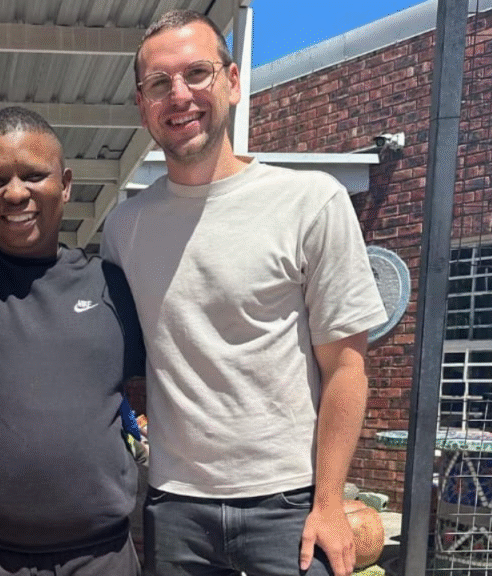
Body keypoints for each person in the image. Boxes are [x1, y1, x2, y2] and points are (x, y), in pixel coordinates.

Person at [101, 10, 387, 576]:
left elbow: (346, 368)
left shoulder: (312, 203)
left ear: (232, 81)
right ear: (142, 104)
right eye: (159, 83)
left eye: (196, 73)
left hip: (290, 506)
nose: (179, 95)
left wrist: (330, 502)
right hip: (175, 508)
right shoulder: (123, 228)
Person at [0, 106, 146, 575]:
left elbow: (149, 390)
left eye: (33, 175)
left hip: (99, 559)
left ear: (65, 185)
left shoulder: (113, 287)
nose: (15, 193)